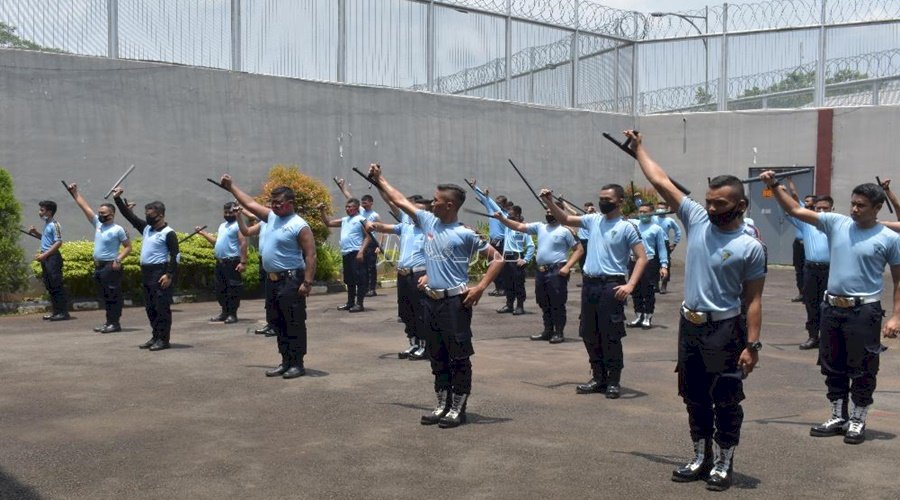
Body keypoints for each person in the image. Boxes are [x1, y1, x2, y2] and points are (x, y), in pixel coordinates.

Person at [630, 130, 766, 491]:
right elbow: (659, 179)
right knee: (692, 394)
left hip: (724, 330)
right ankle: (700, 455)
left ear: (739, 206)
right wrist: (640, 148)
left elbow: (753, 300)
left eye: (720, 203)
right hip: (689, 326)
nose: (711, 208)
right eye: (708, 201)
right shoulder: (696, 219)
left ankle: (724, 461)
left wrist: (752, 347)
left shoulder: (749, 248)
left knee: (725, 398)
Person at [762, 172, 900, 445]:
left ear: (877, 208)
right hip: (832, 308)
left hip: (864, 311)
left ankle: (858, 419)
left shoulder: (889, 238)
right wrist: (773, 185)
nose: (855, 209)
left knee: (863, 368)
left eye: (861, 205)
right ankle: (838, 415)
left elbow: (899, 281)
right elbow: (795, 209)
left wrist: (896, 316)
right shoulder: (837, 223)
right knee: (832, 364)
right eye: (853, 203)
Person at [368, 164, 505, 429]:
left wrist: (479, 288)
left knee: (458, 356)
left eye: (437, 201)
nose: (432, 203)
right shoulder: (427, 221)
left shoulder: (465, 233)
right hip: (430, 301)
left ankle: (457, 408)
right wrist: (380, 178)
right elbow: (399, 200)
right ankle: (441, 404)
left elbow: (497, 259)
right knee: (437, 355)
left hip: (455, 303)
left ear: (450, 206)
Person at [543, 184, 648, 400]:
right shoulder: (593, 220)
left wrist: (630, 285)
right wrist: (549, 202)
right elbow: (565, 220)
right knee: (589, 333)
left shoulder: (626, 227)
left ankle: (613, 381)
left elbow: (642, 257)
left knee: (611, 334)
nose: (603, 202)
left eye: (608, 199)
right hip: (590, 285)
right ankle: (598, 377)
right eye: (601, 198)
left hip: (612, 285)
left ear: (619, 201)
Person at [223, 176, 317, 379]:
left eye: (279, 203)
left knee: (294, 322)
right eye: (273, 203)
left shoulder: (300, 225)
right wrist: (232, 187)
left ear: (290, 204)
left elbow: (311, 255)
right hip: (272, 281)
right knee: (277, 321)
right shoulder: (271, 217)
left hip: (291, 280)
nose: (274, 206)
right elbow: (250, 203)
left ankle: (297, 364)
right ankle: (285, 361)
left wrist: (307, 282)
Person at [496, 205, 583, 343]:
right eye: (547, 211)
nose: (548, 213)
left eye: (551, 211)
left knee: (557, 302)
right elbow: (519, 227)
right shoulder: (540, 227)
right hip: (541, 271)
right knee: (543, 301)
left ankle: (559, 332)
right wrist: (502, 219)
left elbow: (579, 250)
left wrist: (567, 267)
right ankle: (548, 331)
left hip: (557, 271)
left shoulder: (565, 231)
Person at [366, 195, 432, 360]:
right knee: (406, 312)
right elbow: (386, 224)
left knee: (421, 312)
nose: (416, 214)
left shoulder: (430, 231)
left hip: (419, 274)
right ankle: (413, 343)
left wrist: (429, 275)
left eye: (420, 212)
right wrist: (374, 225)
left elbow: (437, 257)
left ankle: (425, 346)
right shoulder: (406, 226)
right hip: (403, 276)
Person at [112, 188, 179, 351]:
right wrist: (117, 199)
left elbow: (175, 255)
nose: (147, 216)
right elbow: (130, 216)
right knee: (150, 307)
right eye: (146, 213)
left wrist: (169, 275)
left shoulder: (169, 233)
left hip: (160, 272)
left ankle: (164, 339)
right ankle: (155, 336)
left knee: (161, 307)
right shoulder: (147, 228)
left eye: (151, 213)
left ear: (161, 214)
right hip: (147, 273)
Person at [65, 184, 132, 332]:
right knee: (104, 296)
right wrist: (75, 192)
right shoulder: (98, 224)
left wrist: (118, 259)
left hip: (111, 266)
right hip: (99, 266)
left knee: (113, 295)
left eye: (103, 213)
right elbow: (85, 207)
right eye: (99, 213)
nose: (100, 215)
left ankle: (115, 323)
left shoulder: (118, 229)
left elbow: (128, 247)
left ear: (111, 214)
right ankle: (109, 322)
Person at [785, 194, 833, 350]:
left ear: (832, 209)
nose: (821, 211)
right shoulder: (806, 224)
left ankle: (828, 337)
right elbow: (790, 209)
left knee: (828, 304)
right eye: (818, 208)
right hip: (811, 269)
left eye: (825, 208)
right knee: (811, 304)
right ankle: (813, 336)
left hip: (831, 270)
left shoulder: (837, 225)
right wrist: (777, 189)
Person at [196, 202, 248, 324]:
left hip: (232, 262)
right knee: (220, 289)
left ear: (235, 212)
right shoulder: (222, 226)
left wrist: (243, 262)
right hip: (220, 263)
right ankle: (224, 312)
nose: (228, 214)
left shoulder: (238, 225)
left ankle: (232, 314)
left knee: (233, 289)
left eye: (230, 212)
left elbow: (243, 243)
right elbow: (216, 242)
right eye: (225, 212)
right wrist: (203, 234)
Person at [318, 198, 371, 312]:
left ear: (356, 208)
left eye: (350, 207)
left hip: (356, 252)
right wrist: (322, 211)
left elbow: (368, 236)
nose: (347, 209)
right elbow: (328, 223)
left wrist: (361, 251)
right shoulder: (345, 220)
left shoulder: (361, 219)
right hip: (346, 253)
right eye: (346, 207)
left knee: (359, 279)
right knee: (349, 279)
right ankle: (350, 303)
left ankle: (359, 304)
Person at [235, 208, 277, 336]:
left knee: (276, 296)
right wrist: (238, 216)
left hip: (276, 263)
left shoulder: (277, 223)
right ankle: (270, 323)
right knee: (268, 295)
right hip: (263, 261)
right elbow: (247, 231)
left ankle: (277, 326)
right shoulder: (263, 223)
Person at [628, 204, 669, 329]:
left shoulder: (656, 229)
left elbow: (662, 248)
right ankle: (638, 315)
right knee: (635, 290)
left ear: (652, 213)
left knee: (648, 290)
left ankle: (647, 317)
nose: (642, 214)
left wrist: (664, 265)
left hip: (649, 262)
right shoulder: (633, 225)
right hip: (633, 261)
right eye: (640, 211)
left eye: (645, 212)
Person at [28, 200, 70, 321]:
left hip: (53, 258)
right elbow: (46, 240)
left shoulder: (55, 225)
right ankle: (56, 312)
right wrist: (36, 233)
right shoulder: (47, 224)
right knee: (50, 285)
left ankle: (63, 313)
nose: (39, 212)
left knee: (56, 285)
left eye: (42, 210)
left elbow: (58, 242)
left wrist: (44, 255)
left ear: (49, 212)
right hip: (46, 258)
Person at [469, 180, 508, 297]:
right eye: (497, 203)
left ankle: (504, 288)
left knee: (502, 267)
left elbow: (488, 200)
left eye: (499, 203)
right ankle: (498, 287)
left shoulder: (505, 215)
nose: (496, 205)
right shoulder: (492, 211)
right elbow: (486, 200)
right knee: (493, 265)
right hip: (493, 242)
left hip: (502, 243)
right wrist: (475, 188)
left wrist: (486, 195)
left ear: (504, 205)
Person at [496, 205, 535, 316]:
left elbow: (531, 246)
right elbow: (497, 210)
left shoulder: (523, 228)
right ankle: (509, 305)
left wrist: (526, 259)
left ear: (517, 214)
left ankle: (520, 306)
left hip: (516, 256)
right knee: (508, 283)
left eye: (511, 213)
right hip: (506, 257)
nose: (508, 215)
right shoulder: (507, 226)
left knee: (518, 284)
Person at [790, 193, 817, 302]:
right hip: (798, 244)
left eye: (808, 201)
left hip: (809, 244)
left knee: (808, 270)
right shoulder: (801, 211)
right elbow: (794, 195)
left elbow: (795, 194)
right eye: (804, 201)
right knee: (799, 270)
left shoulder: (816, 216)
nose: (805, 203)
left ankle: (809, 294)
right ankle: (801, 293)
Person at [653, 200, 681, 294]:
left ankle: (664, 285)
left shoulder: (669, 220)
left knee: (665, 264)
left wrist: (674, 244)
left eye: (662, 208)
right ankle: (655, 285)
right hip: (653, 243)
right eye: (659, 208)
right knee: (653, 263)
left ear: (666, 209)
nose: (660, 210)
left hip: (664, 242)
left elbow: (678, 232)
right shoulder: (653, 218)